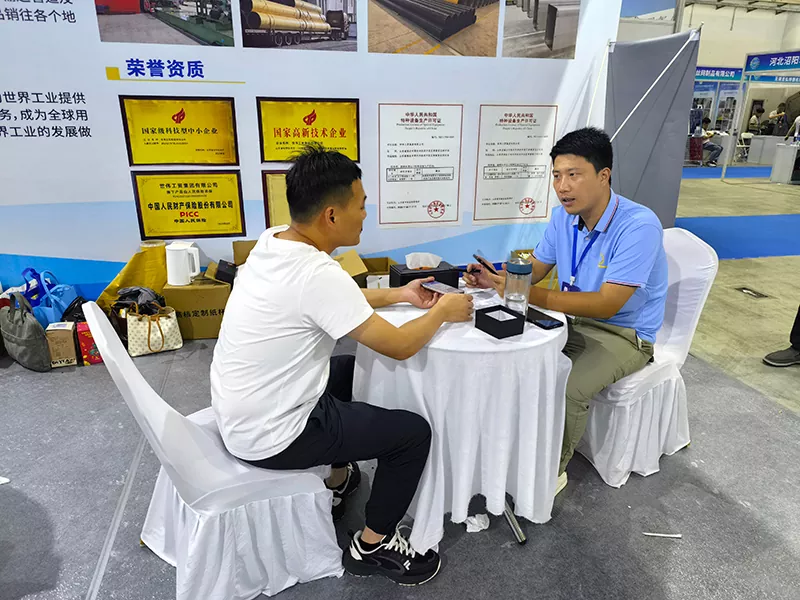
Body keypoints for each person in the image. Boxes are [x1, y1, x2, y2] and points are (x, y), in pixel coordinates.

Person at [210, 144, 473, 586]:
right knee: (412, 435)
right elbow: (399, 346)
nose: (366, 214)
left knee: (349, 369)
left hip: (242, 410)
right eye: (362, 205)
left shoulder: (274, 242)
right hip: (273, 435)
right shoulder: (317, 273)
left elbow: (332, 300)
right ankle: (372, 546)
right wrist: (442, 312)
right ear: (332, 215)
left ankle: (336, 479)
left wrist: (400, 294)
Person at [464, 128, 668, 495]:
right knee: (513, 357)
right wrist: (497, 277)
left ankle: (549, 474)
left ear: (603, 176)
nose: (562, 186)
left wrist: (526, 293)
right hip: (571, 321)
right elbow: (535, 269)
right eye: (557, 175)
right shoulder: (562, 218)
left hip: (625, 334)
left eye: (574, 174)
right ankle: (514, 446)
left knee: (570, 387)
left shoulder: (639, 226)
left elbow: (607, 303)